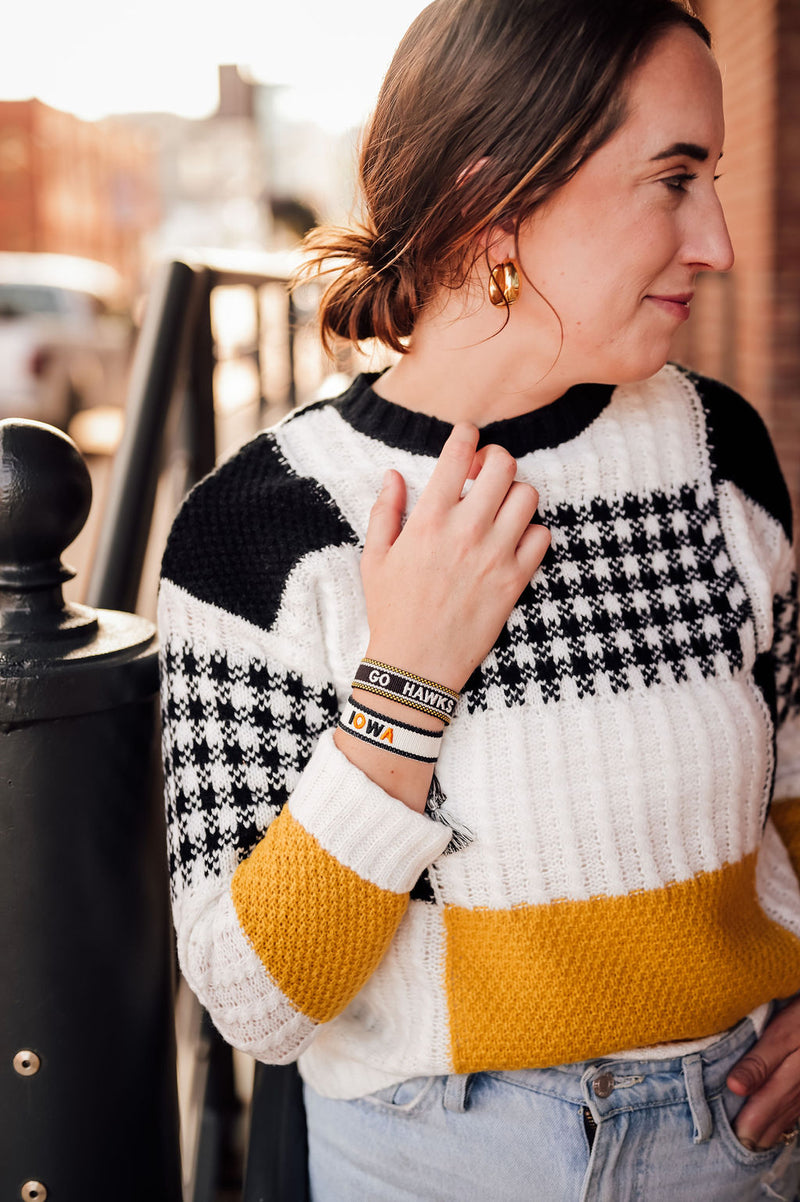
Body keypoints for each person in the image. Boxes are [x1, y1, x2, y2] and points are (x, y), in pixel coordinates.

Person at [158, 1, 800, 1197]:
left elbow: (796, 781)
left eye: (712, 178)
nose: (712, 238)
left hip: (737, 1148)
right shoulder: (263, 526)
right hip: (434, 1159)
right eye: (670, 178)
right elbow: (256, 1000)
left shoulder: (714, 451)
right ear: (492, 200)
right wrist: (405, 687)